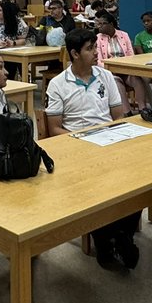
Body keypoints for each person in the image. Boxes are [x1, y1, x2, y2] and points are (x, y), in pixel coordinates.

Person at [45, 29, 139, 270]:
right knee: (95, 189)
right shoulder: (57, 85)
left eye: (95, 48)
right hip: (76, 146)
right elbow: (54, 128)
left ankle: (122, 236)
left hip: (108, 140)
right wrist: (84, 140)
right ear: (75, 54)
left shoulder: (105, 77)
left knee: (138, 179)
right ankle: (108, 243)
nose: (96, 53)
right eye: (90, 49)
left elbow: (117, 117)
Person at [94, 11, 150, 113]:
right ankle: (127, 112)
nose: (99, 26)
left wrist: (127, 68)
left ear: (111, 24)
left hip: (125, 69)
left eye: (102, 24)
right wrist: (110, 70)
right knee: (116, 82)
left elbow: (131, 55)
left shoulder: (124, 35)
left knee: (137, 79)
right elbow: (98, 60)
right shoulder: (98, 38)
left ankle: (143, 109)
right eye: (98, 24)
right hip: (109, 71)